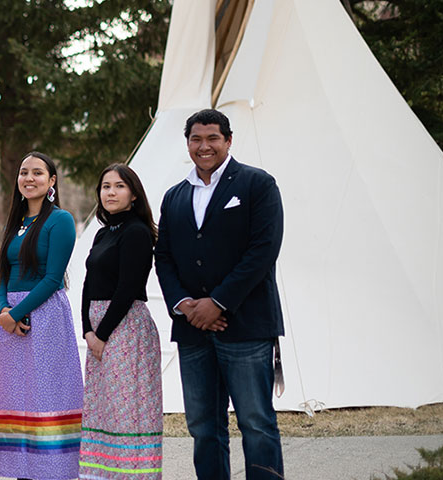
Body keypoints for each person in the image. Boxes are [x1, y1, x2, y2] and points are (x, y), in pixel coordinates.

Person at [154, 108, 285, 479]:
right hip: (193, 329)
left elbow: (263, 251)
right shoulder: (174, 196)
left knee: (256, 423)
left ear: (229, 140)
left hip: (246, 326)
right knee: (203, 426)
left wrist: (218, 302)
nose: (204, 146)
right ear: (188, 144)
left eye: (213, 138)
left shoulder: (257, 185)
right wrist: (184, 304)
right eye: (196, 139)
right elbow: (163, 256)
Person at [0, 152, 82, 480]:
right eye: (24, 172)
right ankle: (23, 470)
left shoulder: (60, 220)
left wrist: (18, 313)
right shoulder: (16, 220)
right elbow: (1, 273)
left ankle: (53, 471)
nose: (29, 178)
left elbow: (53, 278)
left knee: (46, 395)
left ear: (52, 181)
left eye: (37, 173)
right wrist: (4, 309)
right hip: (11, 319)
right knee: (18, 396)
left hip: (45, 315)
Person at [78, 163, 162, 479]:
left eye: (119, 186)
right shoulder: (102, 233)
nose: (111, 192)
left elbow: (127, 288)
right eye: (106, 186)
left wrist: (101, 333)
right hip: (97, 331)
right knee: (104, 408)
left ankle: (132, 474)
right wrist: (87, 330)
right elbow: (88, 283)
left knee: (126, 411)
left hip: (125, 328)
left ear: (134, 195)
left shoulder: (137, 233)